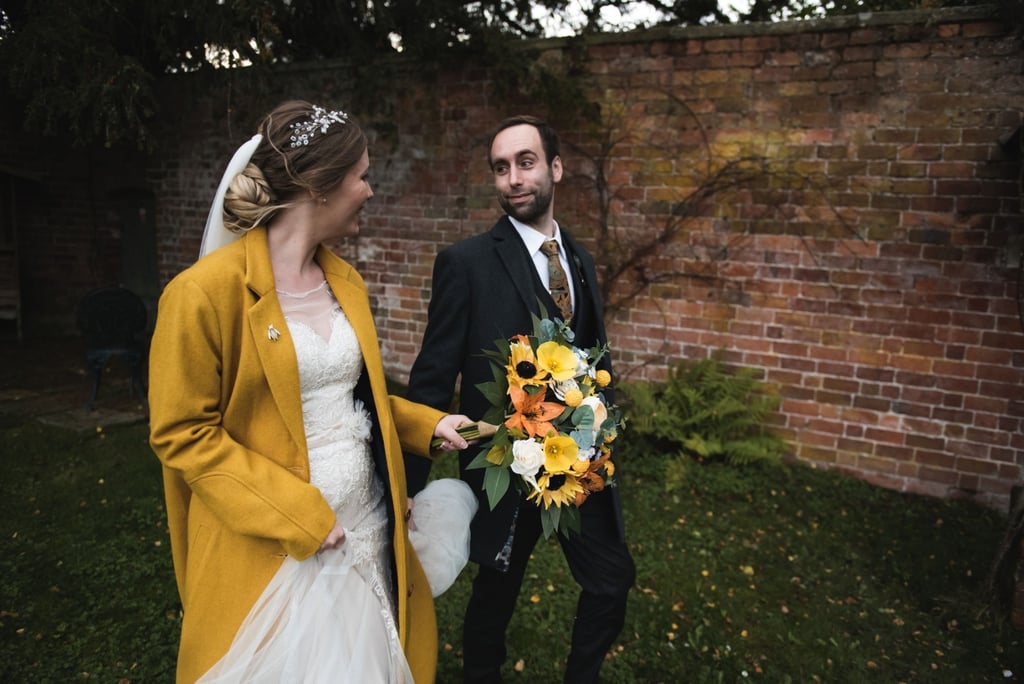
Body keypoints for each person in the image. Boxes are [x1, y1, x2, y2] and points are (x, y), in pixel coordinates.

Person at [148, 99, 476, 684]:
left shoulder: (343, 281)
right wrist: (301, 515)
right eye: (362, 176)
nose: (370, 191)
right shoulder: (201, 295)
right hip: (280, 548)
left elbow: (348, 393)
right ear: (320, 187)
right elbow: (183, 434)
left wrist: (427, 425)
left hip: (367, 529)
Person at [405, 115, 636, 683]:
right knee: (497, 590)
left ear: (555, 168)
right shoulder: (466, 263)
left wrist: (599, 434)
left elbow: (592, 357)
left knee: (612, 580)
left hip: (577, 466)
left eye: (525, 162)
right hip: (504, 470)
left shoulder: (578, 258)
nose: (512, 178)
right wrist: (407, 484)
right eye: (501, 167)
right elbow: (431, 378)